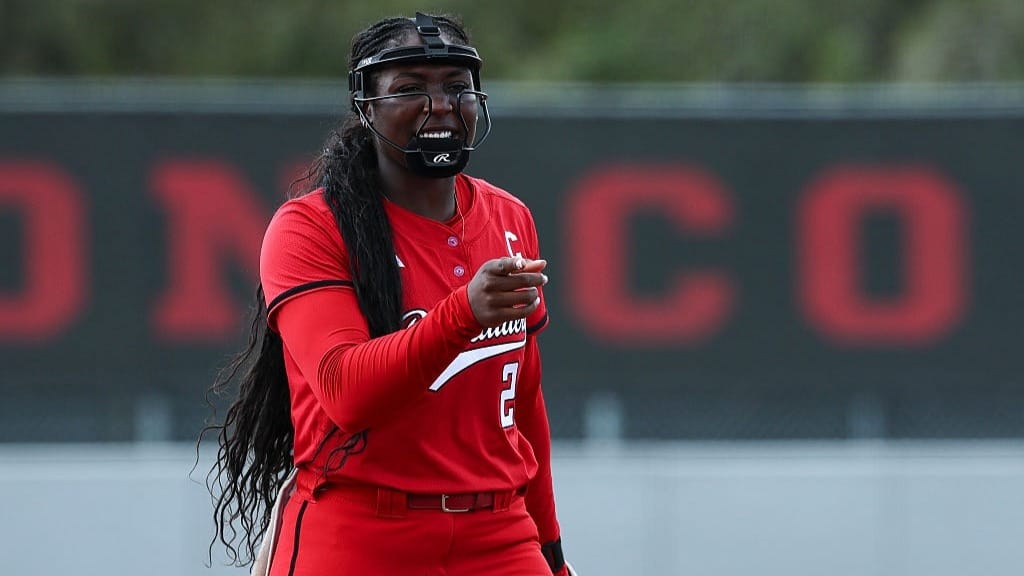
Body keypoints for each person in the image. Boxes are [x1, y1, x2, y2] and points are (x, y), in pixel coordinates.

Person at [206, 12, 576, 576]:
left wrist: (550, 545)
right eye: (410, 90)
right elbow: (345, 391)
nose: (442, 105)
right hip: (361, 529)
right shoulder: (312, 227)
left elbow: (523, 398)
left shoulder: (510, 217)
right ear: (364, 107)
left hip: (498, 533)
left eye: (457, 86)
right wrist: (462, 313)